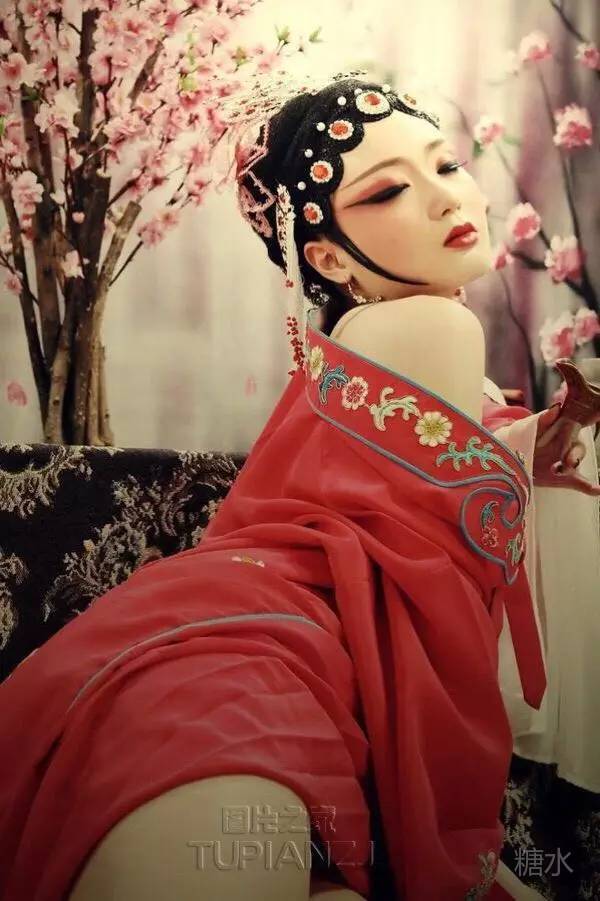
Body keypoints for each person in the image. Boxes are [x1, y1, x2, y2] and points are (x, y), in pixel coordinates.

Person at [1, 73, 598, 901]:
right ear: (325, 256)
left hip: (204, 644)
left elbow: (410, 478)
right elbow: (431, 578)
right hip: (262, 672)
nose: (443, 197)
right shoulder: (435, 324)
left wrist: (522, 448)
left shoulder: (360, 342)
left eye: (444, 164)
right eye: (387, 190)